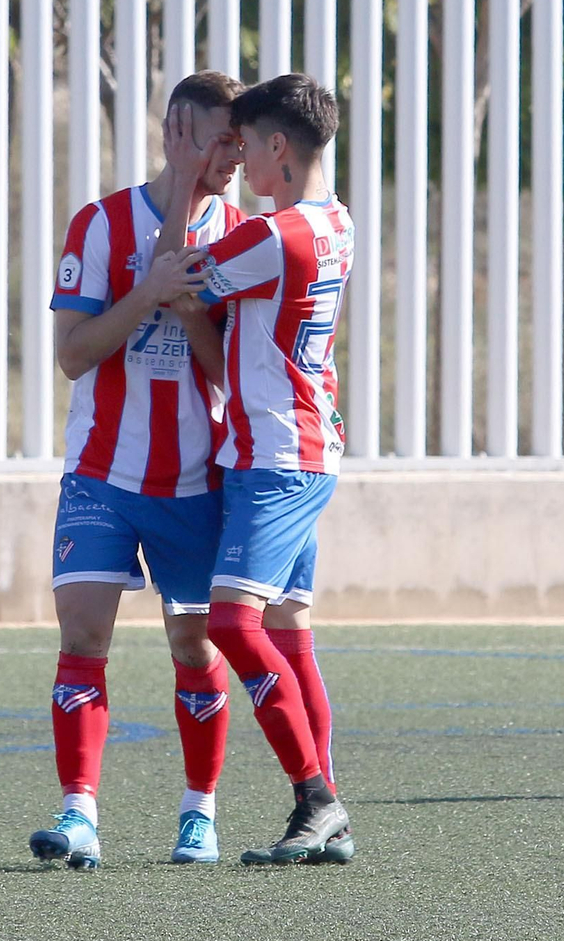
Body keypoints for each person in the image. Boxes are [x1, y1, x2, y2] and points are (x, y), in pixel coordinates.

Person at [28, 71, 247, 870]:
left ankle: (199, 813)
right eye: (220, 140)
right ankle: (79, 812)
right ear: (176, 134)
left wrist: (186, 309)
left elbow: (231, 377)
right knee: (84, 634)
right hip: (102, 475)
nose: (234, 157)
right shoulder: (100, 225)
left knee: (194, 646)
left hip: (196, 480)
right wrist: (146, 291)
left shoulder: (243, 237)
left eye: (240, 143)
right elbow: (73, 356)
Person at [159, 73, 355, 866]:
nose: (238, 161)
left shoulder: (274, 236)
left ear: (279, 147)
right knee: (289, 634)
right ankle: (328, 815)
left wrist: (182, 177)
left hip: (272, 458)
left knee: (234, 626)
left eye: (245, 146)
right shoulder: (337, 221)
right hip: (308, 445)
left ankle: (317, 798)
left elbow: (168, 276)